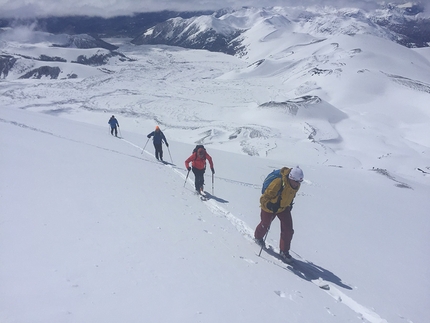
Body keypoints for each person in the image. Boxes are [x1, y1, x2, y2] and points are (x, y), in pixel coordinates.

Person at [254, 166, 304, 264]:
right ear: (291, 178)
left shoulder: (296, 185)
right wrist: (270, 204)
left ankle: (284, 251)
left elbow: (290, 195)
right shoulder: (278, 182)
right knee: (265, 224)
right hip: (269, 208)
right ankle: (258, 237)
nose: (298, 184)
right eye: (297, 181)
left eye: (299, 182)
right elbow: (264, 198)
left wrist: (289, 204)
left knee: (288, 229)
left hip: (284, 208)